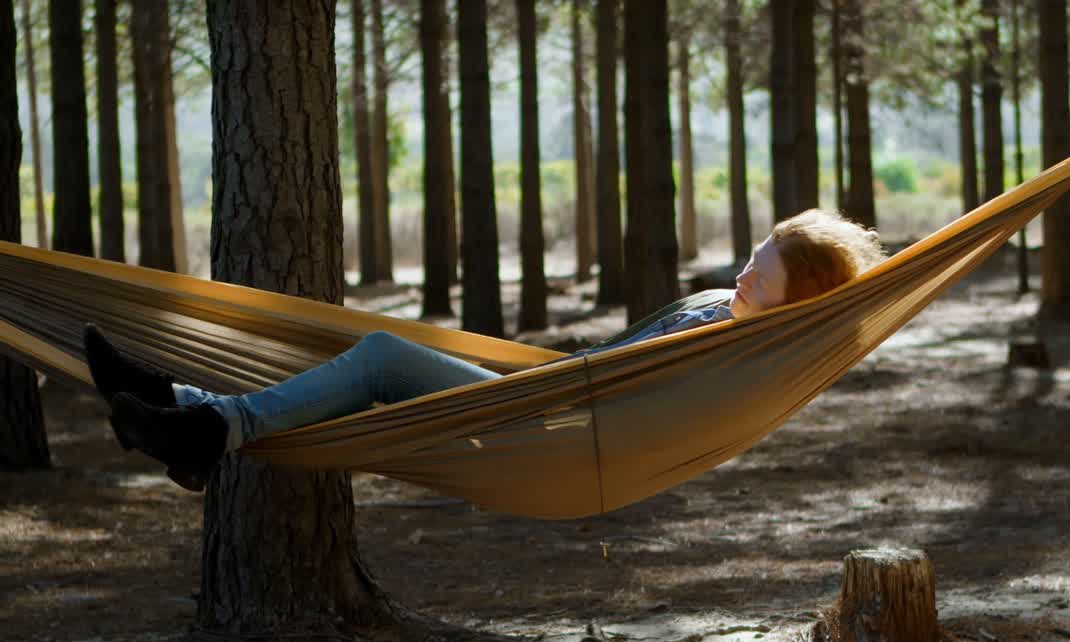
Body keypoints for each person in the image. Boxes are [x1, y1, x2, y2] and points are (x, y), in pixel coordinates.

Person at [90, 209, 884, 491]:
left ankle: (211, 427)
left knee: (377, 358)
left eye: (761, 277)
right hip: (545, 389)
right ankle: (185, 410)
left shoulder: (738, 364)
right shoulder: (717, 309)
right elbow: (617, 356)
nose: (740, 274)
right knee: (374, 358)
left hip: (559, 435)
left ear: (795, 307)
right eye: (749, 257)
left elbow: (645, 410)